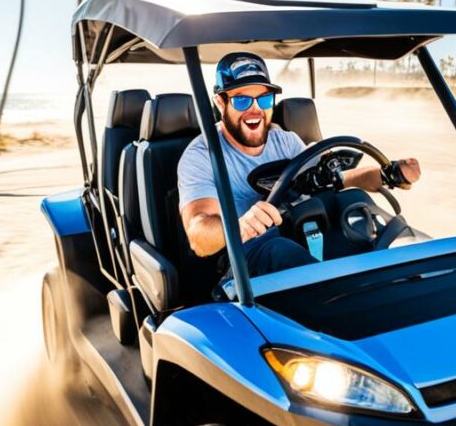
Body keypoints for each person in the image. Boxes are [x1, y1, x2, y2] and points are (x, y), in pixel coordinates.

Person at [177, 52, 421, 279]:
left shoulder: (285, 140)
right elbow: (199, 237)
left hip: (299, 231)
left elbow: (337, 179)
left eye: (264, 99)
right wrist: (239, 225)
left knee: (356, 205)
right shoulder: (201, 155)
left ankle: (414, 276)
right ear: (220, 103)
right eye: (242, 100)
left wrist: (388, 174)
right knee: (280, 250)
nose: (255, 110)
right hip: (247, 258)